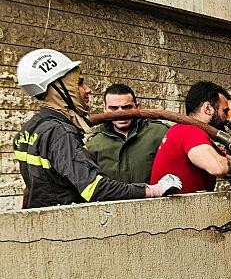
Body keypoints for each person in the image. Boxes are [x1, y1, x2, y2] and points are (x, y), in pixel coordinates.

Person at [13, 49, 180, 209]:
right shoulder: (61, 133)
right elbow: (94, 189)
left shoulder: (28, 130)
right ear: (61, 89)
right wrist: (152, 190)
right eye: (79, 83)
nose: (88, 90)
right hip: (67, 222)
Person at [150, 81, 231, 194]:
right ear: (208, 108)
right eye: (225, 111)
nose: (227, 118)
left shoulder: (191, 134)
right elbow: (218, 167)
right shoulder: (190, 131)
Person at [85, 83, 170, 184]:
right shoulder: (93, 144)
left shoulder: (161, 133)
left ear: (137, 107)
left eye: (127, 107)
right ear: (105, 110)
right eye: (113, 108)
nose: (121, 114)